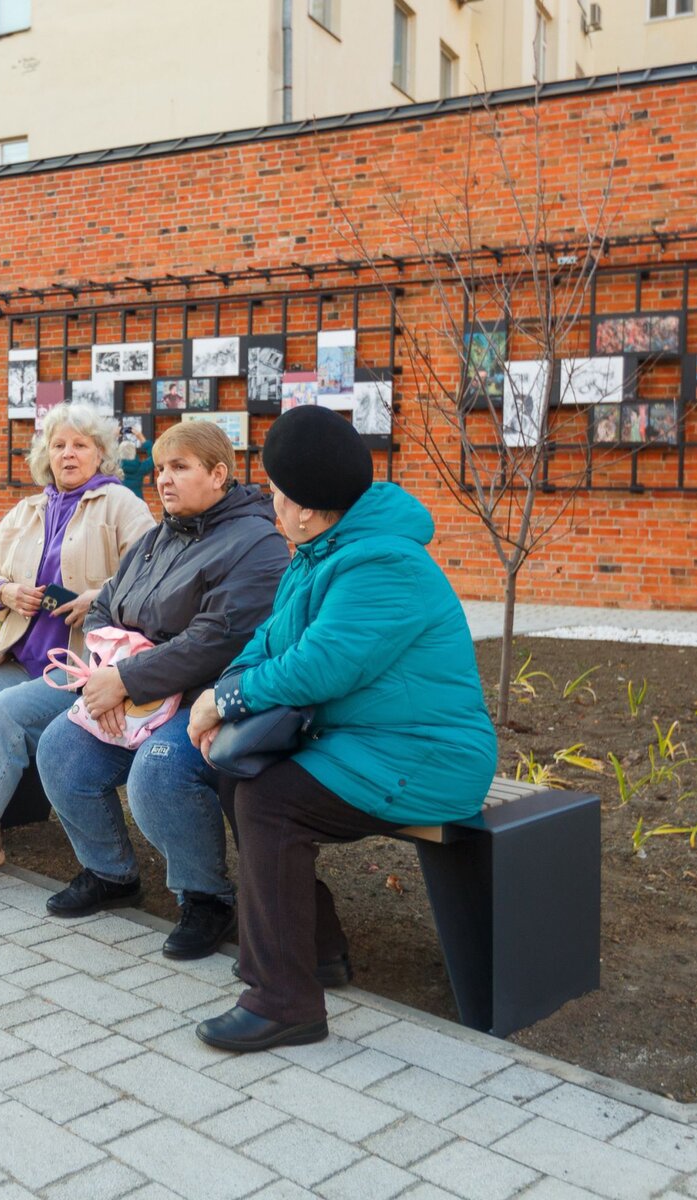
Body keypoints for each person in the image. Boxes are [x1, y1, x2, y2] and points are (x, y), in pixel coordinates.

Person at [187, 405, 497, 1052]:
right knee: (234, 777)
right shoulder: (319, 551)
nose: (267, 498)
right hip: (366, 743)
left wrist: (227, 699)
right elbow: (267, 641)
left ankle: (285, 1003)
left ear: (306, 508)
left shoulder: (382, 565)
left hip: (428, 758)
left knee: (269, 802)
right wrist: (222, 692)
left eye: (275, 489)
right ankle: (316, 953)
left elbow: (320, 668)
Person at [35, 421, 290, 959]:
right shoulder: (158, 536)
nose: (164, 481)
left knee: (160, 768)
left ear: (219, 474)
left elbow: (216, 642)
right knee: (60, 747)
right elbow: (105, 607)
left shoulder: (257, 543)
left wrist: (125, 680)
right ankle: (110, 872)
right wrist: (113, 676)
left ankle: (207, 899)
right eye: (159, 470)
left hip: (207, 699)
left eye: (180, 468)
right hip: (131, 689)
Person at [0, 403, 156, 901]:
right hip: (22, 660)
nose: (68, 454)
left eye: (80, 445)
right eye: (59, 445)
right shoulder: (28, 510)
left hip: (82, 670)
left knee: (3, 716)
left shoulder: (121, 505)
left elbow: (152, 578)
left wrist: (98, 600)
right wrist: (4, 591)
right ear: (46, 454)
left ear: (101, 454)